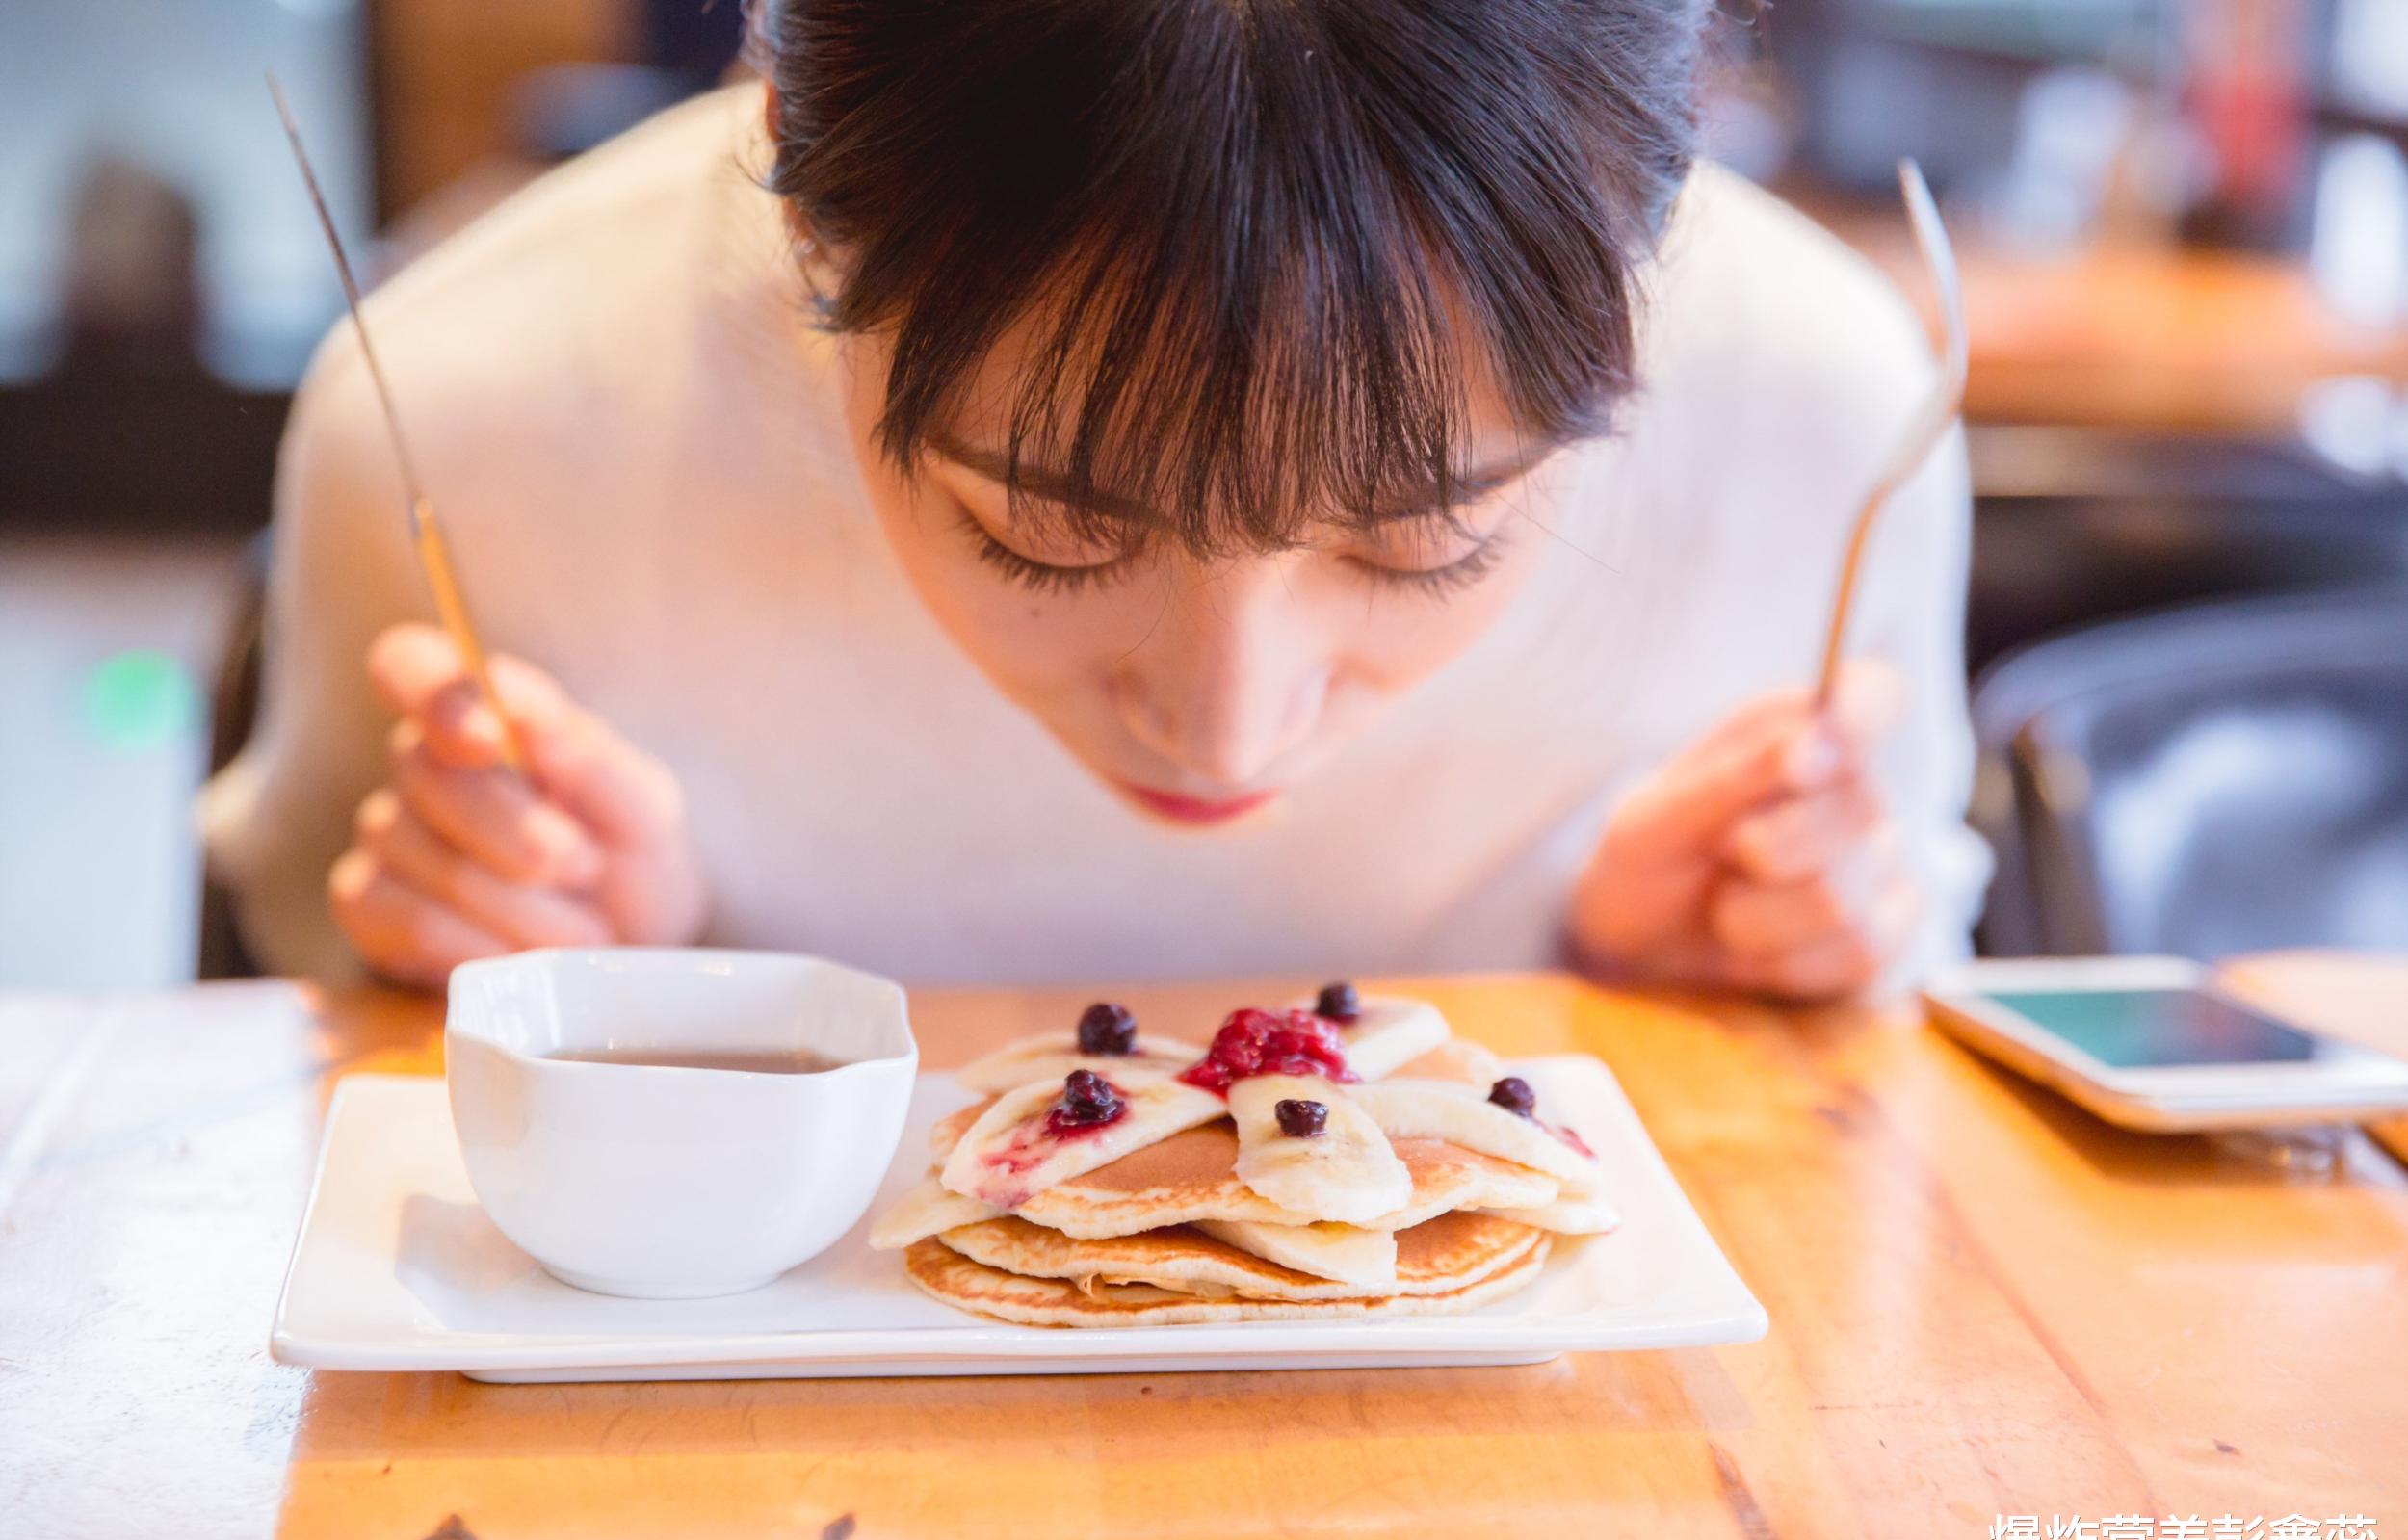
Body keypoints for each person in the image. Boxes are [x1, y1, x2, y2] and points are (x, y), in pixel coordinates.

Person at [203, 0, 1988, 997]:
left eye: (1425, 540)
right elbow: (286, 1106)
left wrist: (1741, 965)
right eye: (1046, 527)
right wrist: (528, 970)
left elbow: (1907, 1131)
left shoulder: (1823, 431)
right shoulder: (476, 429)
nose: (1225, 732)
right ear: (811, 215)